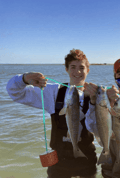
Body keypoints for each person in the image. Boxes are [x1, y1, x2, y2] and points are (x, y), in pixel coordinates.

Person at [6, 49, 98, 178]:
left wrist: (100, 101)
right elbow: (15, 93)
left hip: (87, 157)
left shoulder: (95, 95)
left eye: (81, 68)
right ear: (66, 69)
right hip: (59, 159)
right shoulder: (53, 91)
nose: (77, 72)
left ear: (87, 70)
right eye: (72, 67)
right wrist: (24, 79)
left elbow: (99, 128)